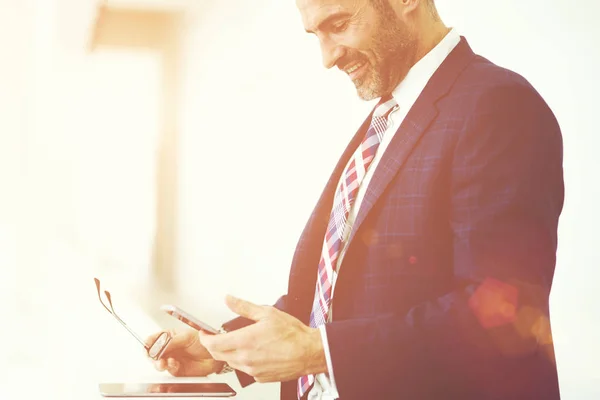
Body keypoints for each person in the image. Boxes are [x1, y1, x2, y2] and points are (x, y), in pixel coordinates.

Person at [146, 0, 564, 399]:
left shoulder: (497, 104)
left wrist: (318, 352)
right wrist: (224, 349)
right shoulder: (390, 115)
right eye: (316, 35)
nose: (327, 58)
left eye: (339, 24)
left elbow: (501, 314)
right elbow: (340, 292)